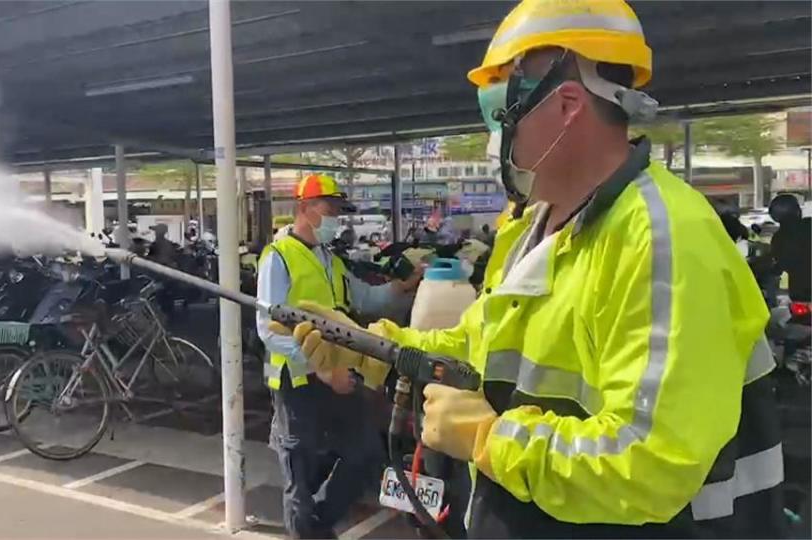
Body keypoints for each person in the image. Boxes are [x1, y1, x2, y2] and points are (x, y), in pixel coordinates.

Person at [276, 0, 784, 537]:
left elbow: (652, 460)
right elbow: (478, 351)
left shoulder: (663, 239)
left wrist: (492, 442)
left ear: (567, 106)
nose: (494, 140)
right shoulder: (530, 227)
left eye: (500, 117)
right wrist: (375, 349)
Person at [256, 173, 420, 539]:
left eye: (338, 211)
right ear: (304, 209)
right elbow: (268, 329)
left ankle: (317, 525)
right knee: (300, 471)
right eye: (329, 209)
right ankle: (311, 531)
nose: (335, 218)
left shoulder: (330, 260)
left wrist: (404, 288)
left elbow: (363, 299)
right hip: (297, 379)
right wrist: (323, 368)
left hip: (337, 375)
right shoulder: (278, 257)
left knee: (363, 452)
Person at [769, 193, 811, 302]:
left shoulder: (778, 238)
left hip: (799, 292)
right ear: (797, 211)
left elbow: (781, 264)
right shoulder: (809, 225)